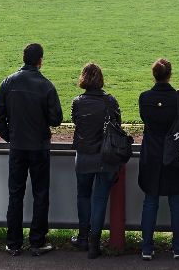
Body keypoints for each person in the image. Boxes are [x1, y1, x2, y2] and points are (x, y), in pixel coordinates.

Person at [0, 43, 64, 257]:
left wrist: (11, 137)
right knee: (40, 194)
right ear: (40, 60)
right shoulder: (46, 86)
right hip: (39, 148)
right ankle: (37, 241)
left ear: (24, 58)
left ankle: (13, 243)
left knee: (15, 194)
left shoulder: (8, 82)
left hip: (18, 147)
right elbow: (56, 119)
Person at [138, 58, 179, 261]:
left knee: (150, 201)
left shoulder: (144, 98)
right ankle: (178, 247)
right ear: (169, 75)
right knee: (176, 201)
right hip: (174, 154)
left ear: (154, 75)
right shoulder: (178, 98)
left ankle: (146, 247)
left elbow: (146, 118)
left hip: (151, 154)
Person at [69, 63, 122, 259]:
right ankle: (94, 242)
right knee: (99, 199)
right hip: (106, 156)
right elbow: (117, 125)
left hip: (84, 155)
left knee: (83, 196)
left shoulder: (78, 102)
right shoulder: (110, 101)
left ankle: (83, 237)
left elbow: (77, 123)